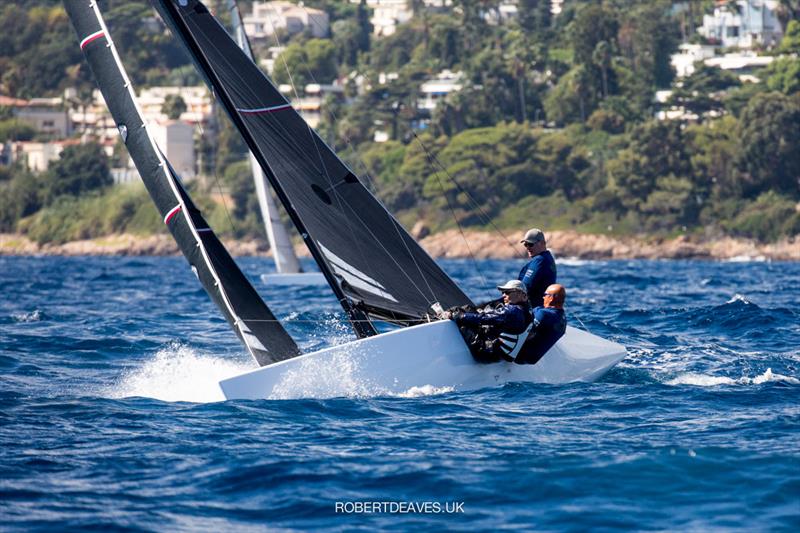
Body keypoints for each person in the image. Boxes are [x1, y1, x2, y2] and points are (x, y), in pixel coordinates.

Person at [443, 280, 533, 363]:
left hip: (486, 353)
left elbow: (484, 318)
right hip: (500, 353)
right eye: (503, 292)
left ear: (521, 294)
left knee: (460, 320)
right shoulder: (527, 310)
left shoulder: (513, 311)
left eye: (507, 292)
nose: (503, 295)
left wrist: (456, 316)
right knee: (468, 308)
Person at [514, 283, 567, 365]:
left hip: (519, 356)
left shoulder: (544, 314)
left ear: (551, 298)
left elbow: (525, 334)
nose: (543, 297)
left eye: (545, 294)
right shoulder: (562, 316)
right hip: (531, 358)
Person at [518, 228, 557, 308]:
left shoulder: (539, 260)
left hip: (533, 309)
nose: (528, 247)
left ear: (542, 243)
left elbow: (524, 288)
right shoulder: (548, 257)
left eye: (530, 244)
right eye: (526, 244)